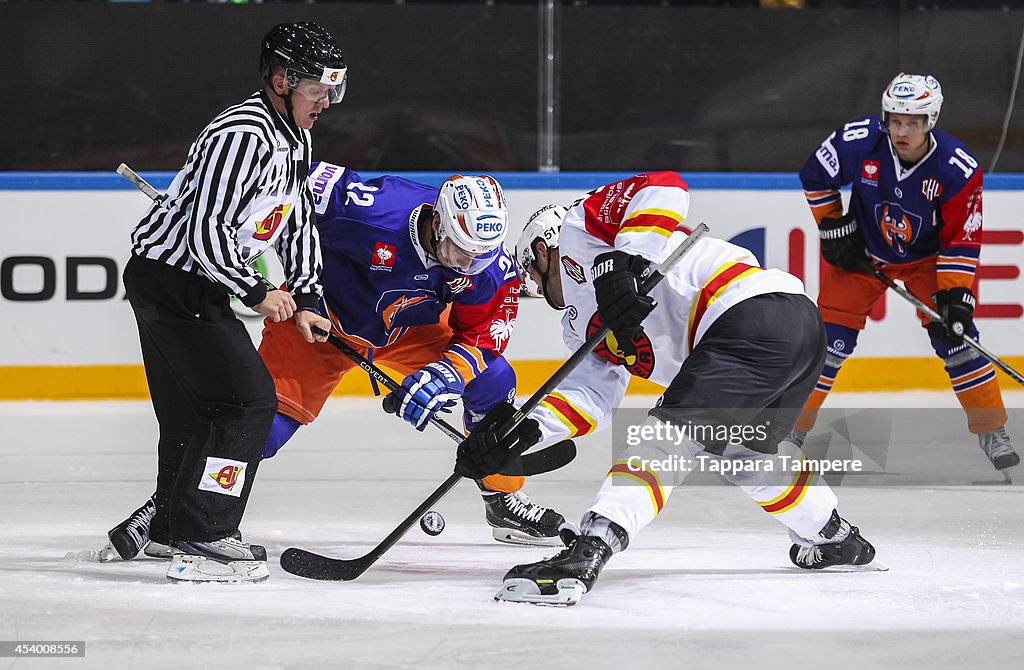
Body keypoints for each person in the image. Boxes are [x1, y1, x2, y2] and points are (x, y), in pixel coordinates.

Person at [457, 172, 880, 606]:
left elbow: (664, 184)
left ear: (542, 251)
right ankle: (835, 536)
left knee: (664, 440)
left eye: (532, 272)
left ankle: (589, 551)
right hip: (792, 334)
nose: (535, 287)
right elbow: (594, 398)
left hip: (753, 315)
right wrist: (526, 430)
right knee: (745, 457)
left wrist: (625, 263)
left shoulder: (580, 227)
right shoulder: (579, 326)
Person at [108, 22, 343, 583]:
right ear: (282, 80)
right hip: (176, 281)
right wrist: (258, 290)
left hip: (179, 281)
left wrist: (307, 293)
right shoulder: (242, 134)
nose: (326, 102)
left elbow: (295, 222)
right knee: (246, 403)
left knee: (195, 412)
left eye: (333, 89)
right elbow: (206, 231)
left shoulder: (294, 136)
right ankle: (206, 535)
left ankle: (171, 528)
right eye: (317, 89)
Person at [257, 163, 565, 546]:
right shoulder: (370, 208)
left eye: (479, 256)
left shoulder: (487, 267)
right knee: (257, 431)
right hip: (319, 318)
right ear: (437, 223)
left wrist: (445, 375)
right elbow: (278, 180)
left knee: (494, 380)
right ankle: (181, 506)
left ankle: (501, 496)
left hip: (405, 327)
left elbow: (482, 336)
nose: (468, 266)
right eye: (460, 252)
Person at [790, 73, 1018, 473]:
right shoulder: (859, 140)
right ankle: (789, 429)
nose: (902, 130)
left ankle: (992, 430)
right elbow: (815, 175)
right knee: (827, 344)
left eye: (912, 122)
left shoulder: (956, 168)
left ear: (931, 120)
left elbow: (961, 239)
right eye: (895, 120)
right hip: (864, 255)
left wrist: (955, 298)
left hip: (928, 261)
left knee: (958, 340)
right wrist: (832, 226)